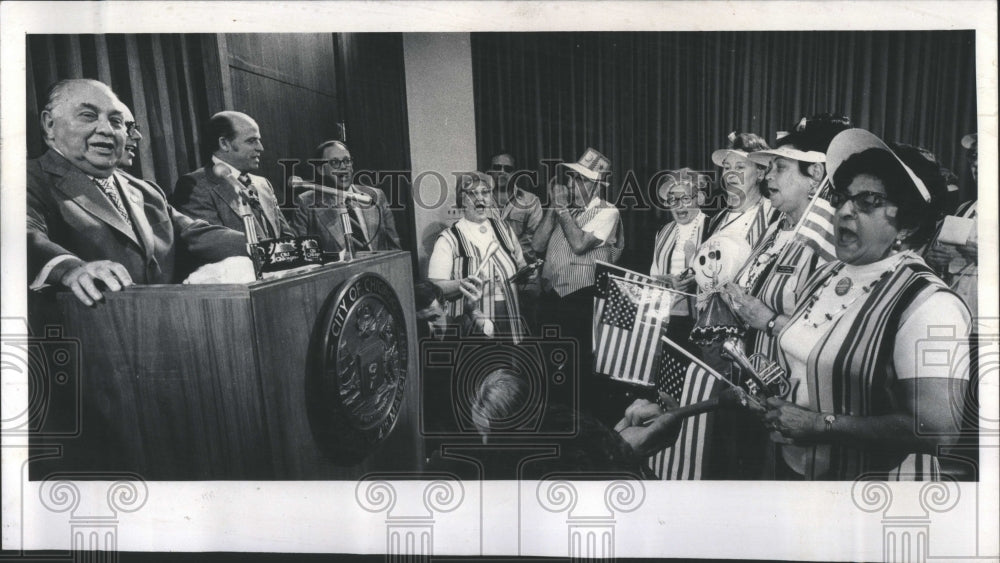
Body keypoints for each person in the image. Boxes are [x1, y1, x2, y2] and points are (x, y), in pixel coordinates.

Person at [764, 128, 969, 480]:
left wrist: (818, 424)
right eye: (842, 197)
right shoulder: (825, 274)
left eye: (868, 201)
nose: (844, 210)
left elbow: (938, 430)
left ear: (907, 223)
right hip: (801, 474)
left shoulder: (928, 303)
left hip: (878, 494)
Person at [27, 79, 249, 306]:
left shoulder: (145, 190)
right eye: (88, 116)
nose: (107, 130)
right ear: (49, 124)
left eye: (116, 121)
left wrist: (269, 249)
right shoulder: (26, 179)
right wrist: (70, 269)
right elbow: (24, 237)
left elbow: (196, 234)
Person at [532, 147, 624, 415]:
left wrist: (561, 210)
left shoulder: (609, 212)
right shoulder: (563, 209)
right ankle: (555, 416)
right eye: (571, 178)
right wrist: (554, 208)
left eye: (579, 179)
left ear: (596, 186)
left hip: (582, 299)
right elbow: (537, 245)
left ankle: (580, 419)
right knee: (551, 364)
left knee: (578, 367)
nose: (570, 184)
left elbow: (580, 244)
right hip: (552, 298)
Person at [428, 172, 527, 342]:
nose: (479, 198)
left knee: (510, 365)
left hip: (510, 315)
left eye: (485, 192)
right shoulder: (449, 238)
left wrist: (528, 273)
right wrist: (462, 283)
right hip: (472, 324)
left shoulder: (504, 229)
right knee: (482, 365)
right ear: (462, 200)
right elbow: (434, 287)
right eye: (472, 193)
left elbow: (520, 264)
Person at [172, 111, 294, 240]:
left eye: (259, 141)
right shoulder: (195, 185)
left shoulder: (263, 184)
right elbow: (211, 243)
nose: (260, 148)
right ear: (224, 143)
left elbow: (287, 236)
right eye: (252, 141)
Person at [291, 140, 401, 253]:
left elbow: (395, 250)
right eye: (335, 162)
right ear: (321, 170)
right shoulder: (306, 202)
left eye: (347, 161)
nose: (343, 166)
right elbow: (300, 255)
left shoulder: (376, 196)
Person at [649, 168, 711, 361]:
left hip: (703, 321)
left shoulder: (714, 226)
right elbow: (654, 275)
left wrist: (696, 279)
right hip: (668, 318)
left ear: (699, 198)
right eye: (673, 200)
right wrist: (667, 281)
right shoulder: (664, 231)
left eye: (685, 199)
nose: (679, 206)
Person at [923, 133, 978, 315]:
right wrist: (934, 258)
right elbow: (942, 254)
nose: (976, 165)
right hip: (957, 310)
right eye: (974, 158)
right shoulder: (964, 209)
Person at [705, 132, 780, 248]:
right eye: (727, 167)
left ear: (760, 174)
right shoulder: (714, 219)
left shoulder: (775, 216)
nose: (730, 174)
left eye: (740, 167)